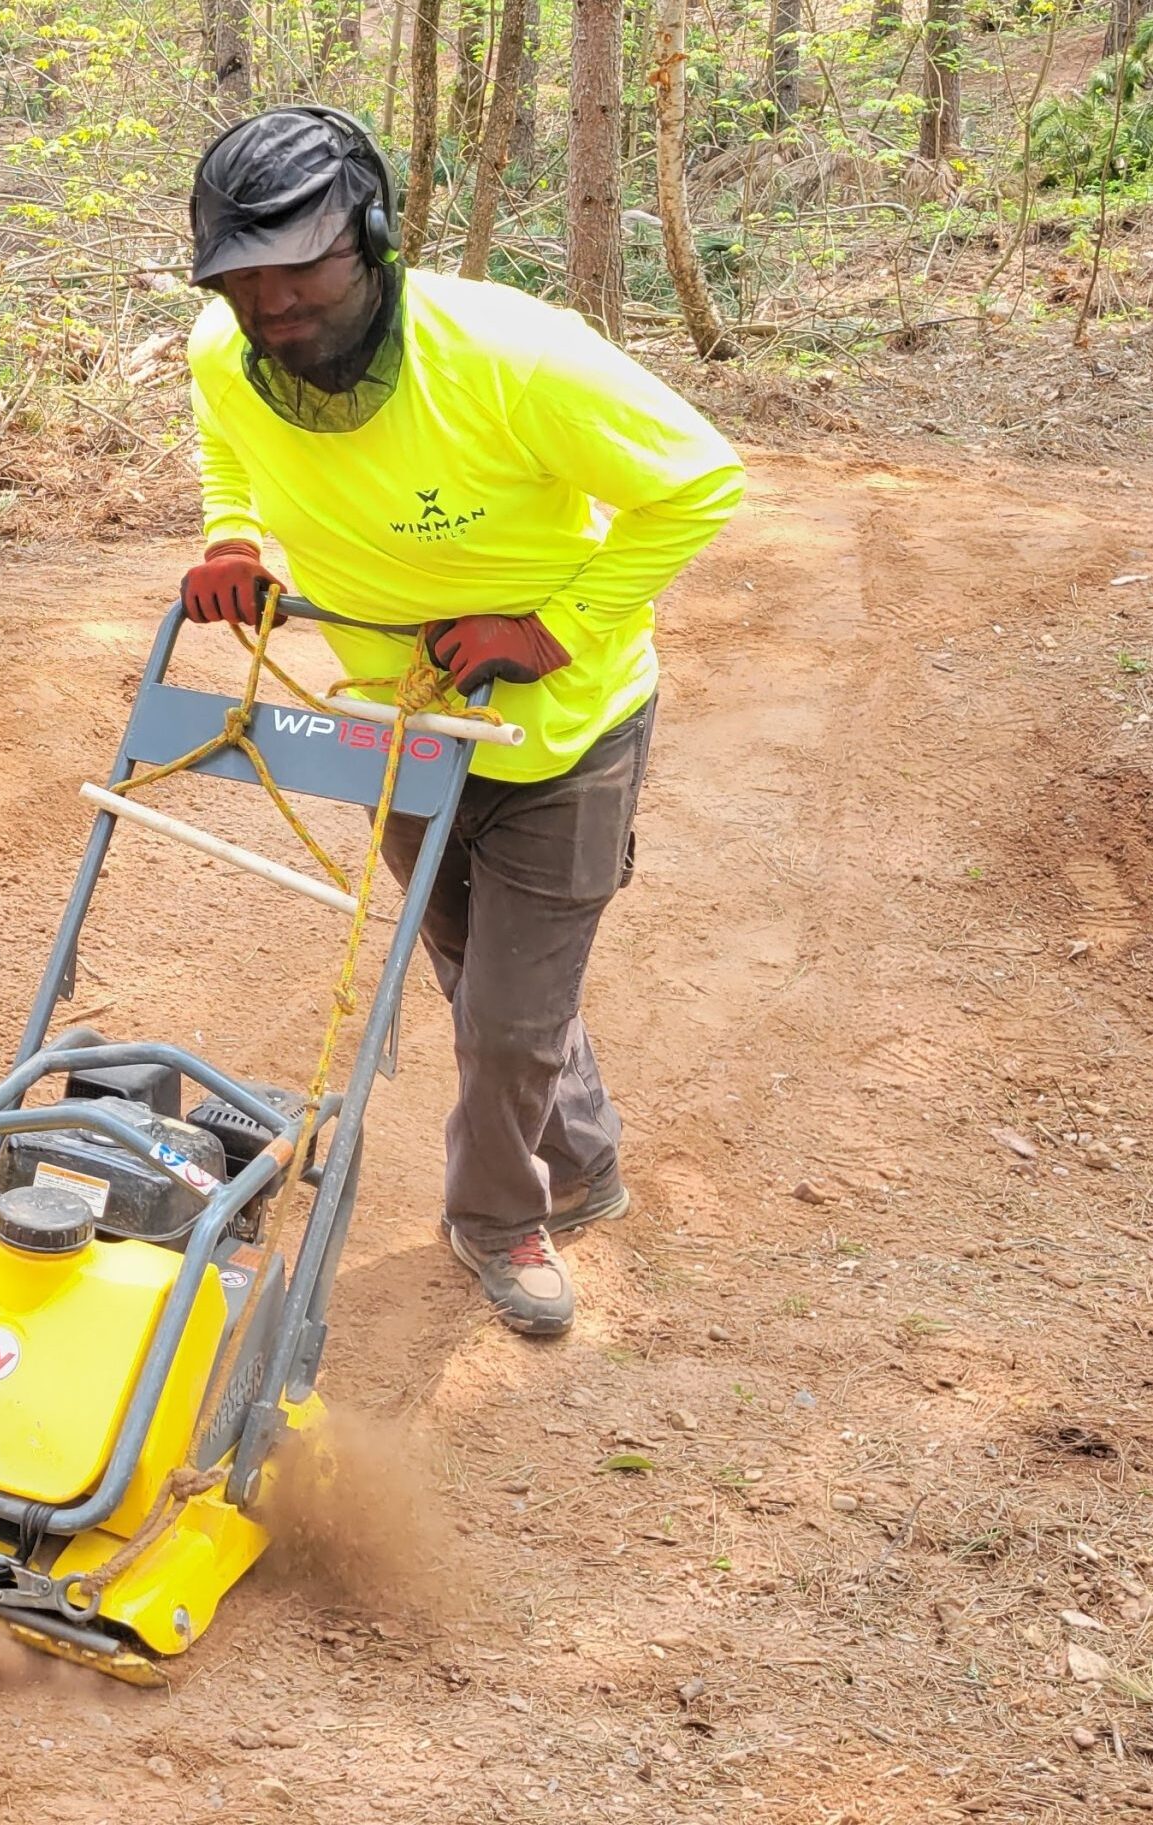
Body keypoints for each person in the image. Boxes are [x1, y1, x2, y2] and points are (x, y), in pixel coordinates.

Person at [179, 106, 744, 1338]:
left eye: (300, 272)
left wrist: (552, 629)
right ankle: (582, 1161)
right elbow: (229, 449)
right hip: (403, 726)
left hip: (563, 733)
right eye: (241, 282)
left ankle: (500, 1220)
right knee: (485, 980)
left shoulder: (512, 357)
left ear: (372, 240)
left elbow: (701, 478)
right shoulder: (224, 357)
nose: (272, 309)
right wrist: (231, 536)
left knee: (502, 1016)